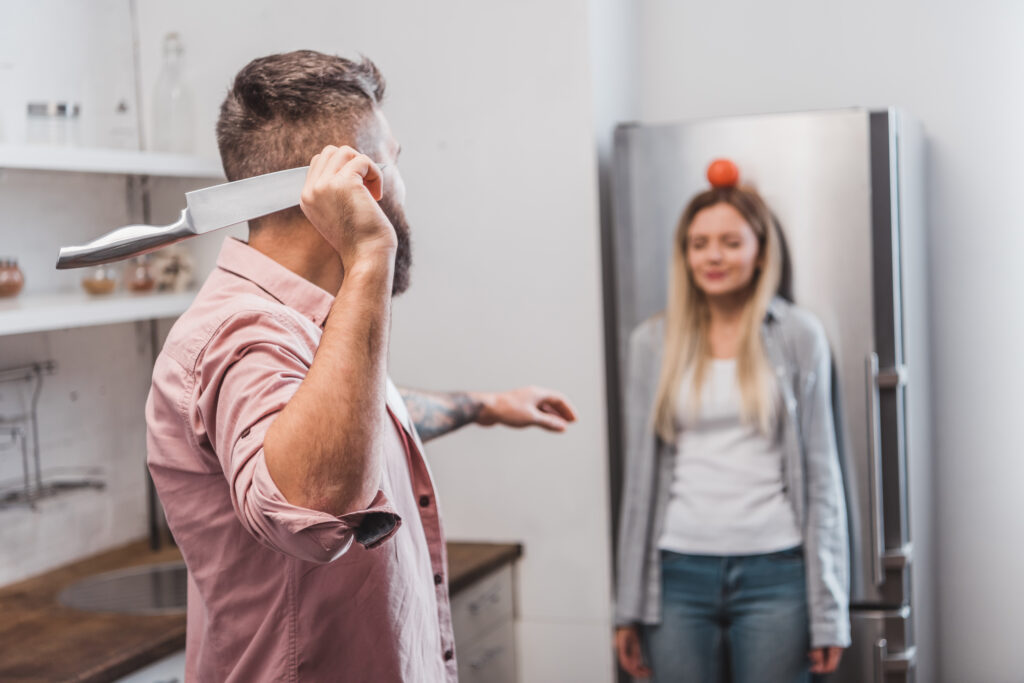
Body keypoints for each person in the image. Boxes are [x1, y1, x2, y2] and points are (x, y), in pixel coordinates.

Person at [145, 50, 577, 682]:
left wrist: (485, 405)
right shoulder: (239, 335)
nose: (402, 184)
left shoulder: (311, 326)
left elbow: (363, 418)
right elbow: (317, 505)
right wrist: (373, 252)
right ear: (360, 187)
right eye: (394, 162)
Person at [613, 170, 850, 682]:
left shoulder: (798, 336)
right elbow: (639, 482)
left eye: (729, 242)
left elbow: (822, 474)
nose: (713, 256)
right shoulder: (651, 343)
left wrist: (829, 612)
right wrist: (627, 607)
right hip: (675, 574)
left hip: (777, 572)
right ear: (685, 255)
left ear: (761, 252)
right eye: (699, 244)